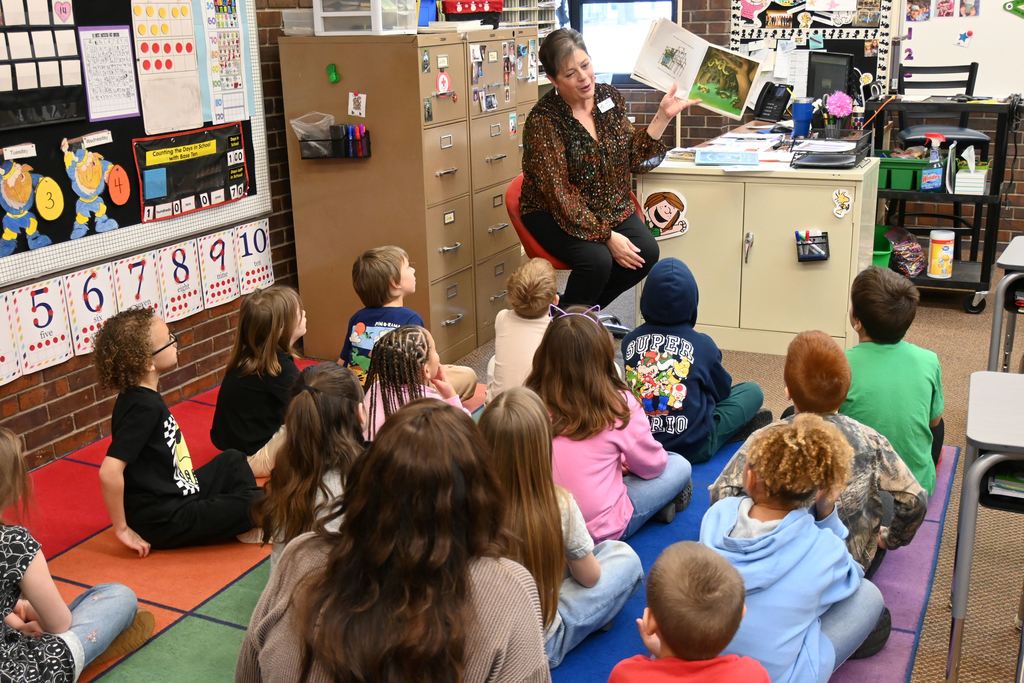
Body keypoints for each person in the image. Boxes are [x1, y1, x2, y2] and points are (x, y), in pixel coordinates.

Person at [236, 400, 551, 682]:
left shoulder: (299, 557)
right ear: (480, 497)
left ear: (366, 482)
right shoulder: (506, 589)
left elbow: (248, 672)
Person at [710, 330, 927, 576]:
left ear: (787, 391)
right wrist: (890, 539)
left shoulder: (764, 439)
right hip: (846, 563)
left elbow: (720, 493)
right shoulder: (871, 439)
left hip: (774, 561)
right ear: (846, 392)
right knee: (883, 497)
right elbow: (915, 499)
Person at [519, 28, 699, 308]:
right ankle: (569, 323)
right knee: (598, 260)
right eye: (571, 73)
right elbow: (559, 195)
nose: (584, 77)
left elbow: (632, 157)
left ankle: (575, 312)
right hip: (552, 211)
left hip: (606, 203)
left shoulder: (608, 97)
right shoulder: (544, 121)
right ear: (553, 80)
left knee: (646, 252)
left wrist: (663, 116)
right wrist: (607, 237)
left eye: (585, 65)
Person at [701, 415, 886, 683]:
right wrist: (827, 513)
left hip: (701, 660)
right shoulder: (823, 548)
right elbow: (853, 575)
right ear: (820, 490)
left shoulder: (717, 515)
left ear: (749, 477)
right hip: (773, 678)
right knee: (868, 594)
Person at [478, 388, 643, 667]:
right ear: (543, 446)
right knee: (623, 557)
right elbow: (589, 578)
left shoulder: (466, 503)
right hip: (538, 642)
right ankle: (591, 619)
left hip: (486, 638)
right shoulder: (558, 503)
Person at [94, 308, 262, 553]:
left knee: (233, 460)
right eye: (168, 340)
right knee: (259, 501)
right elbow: (109, 471)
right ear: (148, 362)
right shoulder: (143, 408)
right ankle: (247, 517)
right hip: (165, 518)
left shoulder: (139, 397)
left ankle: (243, 521)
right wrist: (121, 528)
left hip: (178, 491)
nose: (175, 342)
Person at [526, 306, 692, 542]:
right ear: (602, 354)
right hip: (599, 529)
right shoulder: (618, 403)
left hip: (539, 527)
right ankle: (653, 508)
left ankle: (653, 506)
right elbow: (652, 466)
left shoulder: (528, 399)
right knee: (678, 464)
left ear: (545, 353)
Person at [1, 427, 154, 681]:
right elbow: (58, 624)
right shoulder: (14, 543)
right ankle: (87, 648)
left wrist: (15, 620)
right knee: (119, 596)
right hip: (19, 673)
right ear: (13, 485)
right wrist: (26, 612)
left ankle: (80, 644)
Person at [622, 258, 768, 464]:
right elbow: (722, 392)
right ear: (693, 302)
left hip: (642, 445)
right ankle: (727, 432)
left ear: (645, 300)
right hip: (694, 447)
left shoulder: (628, 341)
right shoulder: (703, 344)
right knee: (752, 391)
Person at [840, 266, 944, 494]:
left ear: (857, 321)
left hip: (859, 494)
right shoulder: (928, 360)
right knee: (937, 421)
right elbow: (934, 422)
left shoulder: (839, 363)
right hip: (914, 493)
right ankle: (924, 475)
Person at [252, 363, 366, 566]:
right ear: (359, 414)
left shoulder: (288, 470)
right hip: (330, 584)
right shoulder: (357, 483)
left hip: (287, 582)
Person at [608, 542, 769, 682]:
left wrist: (661, 653)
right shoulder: (753, 675)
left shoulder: (626, 675)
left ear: (650, 621)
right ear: (741, 614)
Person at [339, 245, 477, 399]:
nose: (413, 270)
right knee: (467, 375)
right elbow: (421, 369)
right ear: (394, 282)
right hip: (400, 394)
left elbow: (342, 362)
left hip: (361, 393)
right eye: (408, 266)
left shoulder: (357, 318)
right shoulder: (411, 319)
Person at [210, 285, 305, 475]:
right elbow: (307, 407)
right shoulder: (279, 368)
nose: (304, 314)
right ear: (281, 328)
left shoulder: (250, 357)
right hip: (252, 457)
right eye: (298, 314)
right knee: (314, 422)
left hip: (235, 451)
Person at [361, 324, 470, 440]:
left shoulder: (375, 389)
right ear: (426, 370)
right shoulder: (434, 404)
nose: (438, 356)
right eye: (435, 350)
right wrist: (451, 396)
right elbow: (466, 429)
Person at [487, 258, 558, 400]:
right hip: (536, 411)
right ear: (555, 301)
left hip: (499, 407)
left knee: (493, 362)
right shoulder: (556, 330)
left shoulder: (502, 318)